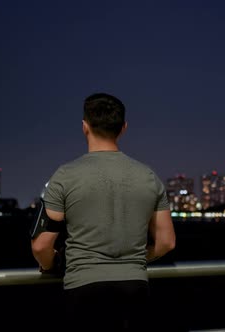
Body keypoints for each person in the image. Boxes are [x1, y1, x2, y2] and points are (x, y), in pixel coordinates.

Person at [31, 92, 176, 331]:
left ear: (84, 127)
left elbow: (40, 246)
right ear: (124, 128)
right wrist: (135, 259)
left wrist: (53, 265)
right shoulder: (148, 176)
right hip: (135, 287)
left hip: (83, 288)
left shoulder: (65, 176)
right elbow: (167, 242)